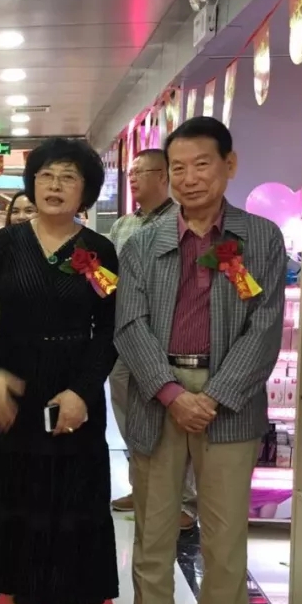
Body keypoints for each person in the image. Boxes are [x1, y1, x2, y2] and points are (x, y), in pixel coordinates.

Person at [111, 116, 286, 604]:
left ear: (229, 166)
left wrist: (215, 395)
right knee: (153, 534)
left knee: (225, 539)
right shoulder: (144, 242)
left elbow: (265, 325)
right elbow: (129, 325)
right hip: (157, 397)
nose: (188, 178)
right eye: (177, 168)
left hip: (228, 402)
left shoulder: (259, 238)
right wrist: (169, 392)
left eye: (201, 164)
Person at [0, 138, 118, 604]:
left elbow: (108, 330)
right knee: (14, 499)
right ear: (33, 183)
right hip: (14, 392)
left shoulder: (99, 250)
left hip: (72, 390)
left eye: (68, 177)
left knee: (75, 503)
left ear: (85, 190)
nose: (55, 185)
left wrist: (83, 392)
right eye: (47, 175)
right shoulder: (7, 243)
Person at [107, 149, 197, 531]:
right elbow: (110, 277)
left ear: (163, 177)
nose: (132, 179)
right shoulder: (122, 225)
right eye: (130, 173)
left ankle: (184, 501)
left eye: (140, 172)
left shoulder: (182, 222)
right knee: (127, 409)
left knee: (174, 417)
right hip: (127, 333)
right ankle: (140, 485)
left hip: (168, 336)